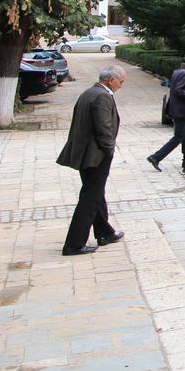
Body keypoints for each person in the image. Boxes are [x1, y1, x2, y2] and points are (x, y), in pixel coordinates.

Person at [57, 65, 126, 255]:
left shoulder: (89, 92)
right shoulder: (102, 96)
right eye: (120, 82)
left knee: (96, 194)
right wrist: (110, 150)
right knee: (90, 198)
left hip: (86, 153)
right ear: (110, 79)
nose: (121, 86)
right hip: (95, 155)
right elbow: (104, 129)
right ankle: (74, 243)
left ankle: (105, 232)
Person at [148, 56, 185, 171]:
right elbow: (179, 91)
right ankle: (156, 157)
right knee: (178, 137)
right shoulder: (184, 74)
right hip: (180, 110)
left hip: (177, 110)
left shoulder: (177, 72)